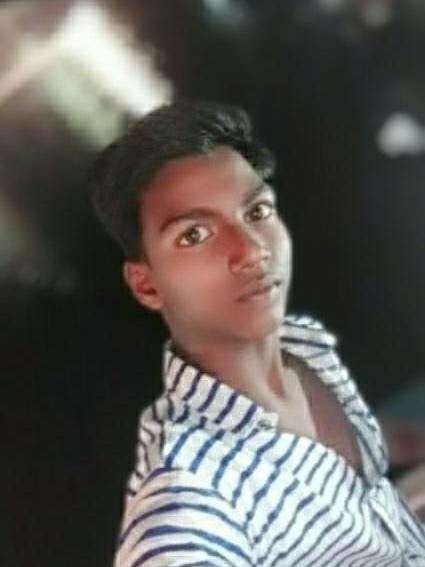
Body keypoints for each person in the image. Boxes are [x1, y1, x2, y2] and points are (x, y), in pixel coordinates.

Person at [88, 100, 425, 566]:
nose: (250, 250)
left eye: (257, 210)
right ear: (147, 284)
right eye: (194, 235)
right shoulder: (188, 494)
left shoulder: (305, 347)